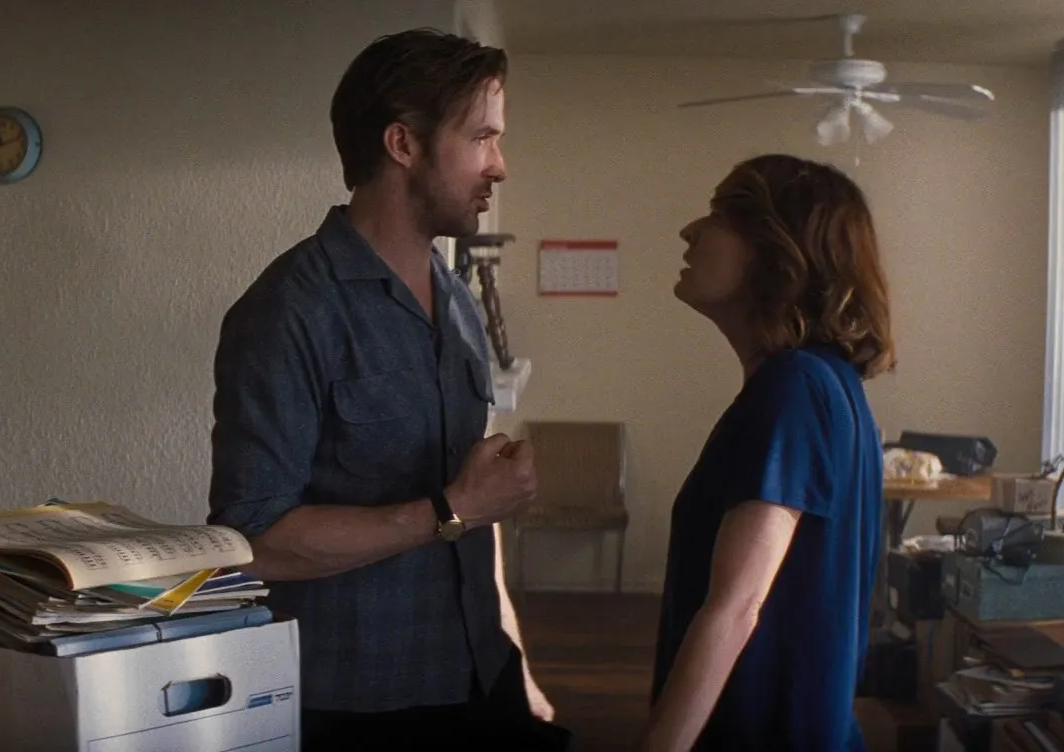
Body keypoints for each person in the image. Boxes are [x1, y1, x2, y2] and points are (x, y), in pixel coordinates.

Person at [206, 28, 564, 750]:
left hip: (480, 673)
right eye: (482, 138)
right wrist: (449, 511)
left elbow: (476, 507)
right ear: (403, 144)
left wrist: (515, 662)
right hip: (359, 706)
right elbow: (252, 541)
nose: (499, 165)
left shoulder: (456, 298)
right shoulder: (289, 310)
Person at [640, 154, 894, 751]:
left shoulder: (795, 387)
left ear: (777, 250)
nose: (690, 231)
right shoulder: (825, 383)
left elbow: (735, 607)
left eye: (720, 216)